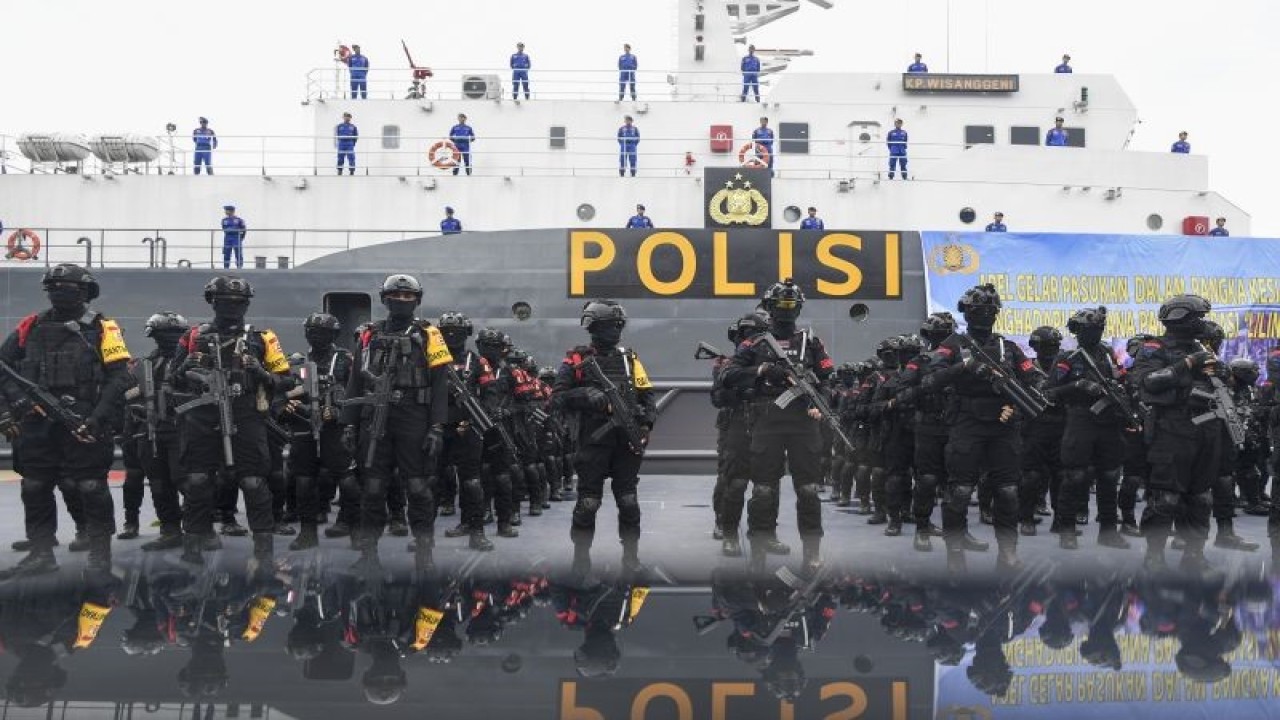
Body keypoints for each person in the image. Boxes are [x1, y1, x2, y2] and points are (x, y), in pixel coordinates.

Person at [0, 265, 131, 579]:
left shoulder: (103, 328)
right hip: (35, 419)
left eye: (67, 286)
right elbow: (4, 367)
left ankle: (100, 554)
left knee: (89, 485)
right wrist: (13, 405)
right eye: (53, 286)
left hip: (84, 417)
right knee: (34, 485)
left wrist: (99, 418)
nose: (59, 291)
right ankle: (41, 552)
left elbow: (120, 377)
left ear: (84, 291)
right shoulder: (30, 326)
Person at [170, 276, 293, 567]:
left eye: (238, 302)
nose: (231, 307)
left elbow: (286, 380)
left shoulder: (262, 338)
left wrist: (263, 374)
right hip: (201, 416)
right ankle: (194, 545)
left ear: (247, 304)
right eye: (224, 301)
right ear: (212, 301)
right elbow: (172, 378)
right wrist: (188, 370)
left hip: (246, 415)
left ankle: (263, 550)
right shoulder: (192, 336)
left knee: (252, 481)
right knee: (198, 480)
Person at [921, 283, 1040, 573]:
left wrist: (1017, 403)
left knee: (1009, 491)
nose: (985, 316)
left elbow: (1035, 380)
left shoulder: (1007, 347)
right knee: (960, 490)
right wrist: (964, 367)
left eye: (990, 310)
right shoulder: (952, 345)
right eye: (978, 311)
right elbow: (929, 381)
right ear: (967, 313)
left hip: (1004, 422)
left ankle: (1008, 551)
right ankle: (955, 550)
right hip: (967, 423)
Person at [340, 275, 452, 571]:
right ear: (384, 299)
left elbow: (441, 385)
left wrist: (437, 426)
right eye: (396, 295)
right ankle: (368, 552)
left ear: (417, 300)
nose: (402, 300)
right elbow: (354, 381)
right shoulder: (368, 335)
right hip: (374, 416)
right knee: (373, 487)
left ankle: (424, 551)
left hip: (414, 416)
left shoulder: (430, 335)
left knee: (417, 486)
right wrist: (349, 425)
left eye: (407, 296)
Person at [723, 279, 834, 573]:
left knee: (808, 490)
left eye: (791, 305)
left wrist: (818, 402)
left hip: (802, 423)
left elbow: (828, 380)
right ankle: (758, 550)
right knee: (763, 490)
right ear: (770, 307)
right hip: (767, 422)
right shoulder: (754, 343)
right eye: (781, 305)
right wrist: (760, 370)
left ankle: (812, 552)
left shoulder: (812, 342)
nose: (786, 310)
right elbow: (728, 374)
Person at [552, 300, 657, 578]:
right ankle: (581, 559)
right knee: (589, 502)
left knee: (628, 500)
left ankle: (631, 557)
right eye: (612, 326)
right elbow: (557, 398)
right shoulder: (575, 360)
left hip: (626, 442)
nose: (617, 331)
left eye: (619, 326)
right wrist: (585, 395)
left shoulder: (629, 359)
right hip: (592, 441)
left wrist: (646, 424)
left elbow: (648, 396)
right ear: (595, 327)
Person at [1128, 294, 1221, 572]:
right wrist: (1188, 365)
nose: (1201, 323)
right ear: (1181, 319)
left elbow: (1216, 384)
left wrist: (1219, 373)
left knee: (1201, 498)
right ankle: (1154, 554)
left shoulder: (1201, 347)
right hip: (1171, 431)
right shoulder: (1154, 348)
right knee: (1166, 498)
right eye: (1197, 318)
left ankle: (1194, 553)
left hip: (1204, 428)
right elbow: (1147, 382)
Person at [1047, 307, 1131, 550]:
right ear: (1079, 331)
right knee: (1075, 476)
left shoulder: (1107, 353)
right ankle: (1067, 529)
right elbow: (1050, 392)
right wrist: (1078, 386)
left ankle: (1108, 531)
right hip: (1080, 418)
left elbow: (1120, 376)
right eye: (1090, 329)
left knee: (1109, 475)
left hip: (1108, 421)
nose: (1095, 334)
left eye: (1099, 329)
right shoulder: (1067, 358)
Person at [277, 313, 354, 551]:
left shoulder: (345, 360)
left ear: (333, 335)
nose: (315, 336)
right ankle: (307, 532)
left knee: (348, 480)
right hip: (304, 426)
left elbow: (357, 393)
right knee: (303, 481)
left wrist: (338, 411)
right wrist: (288, 406)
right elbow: (282, 393)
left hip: (334, 429)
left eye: (321, 332)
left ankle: (349, 522)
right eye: (311, 331)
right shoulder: (298, 362)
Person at [435, 312, 495, 552]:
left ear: (466, 334)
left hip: (468, 429)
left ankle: (476, 530)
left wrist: (471, 421)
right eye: (446, 331)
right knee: (430, 481)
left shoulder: (478, 362)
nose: (451, 336)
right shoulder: (433, 361)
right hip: (438, 428)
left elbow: (491, 397)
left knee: (471, 482)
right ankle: (422, 536)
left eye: (457, 331)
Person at [711, 312, 770, 557]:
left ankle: (765, 533)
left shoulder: (770, 360)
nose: (749, 340)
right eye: (744, 335)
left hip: (764, 425)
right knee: (732, 480)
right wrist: (741, 392)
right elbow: (717, 397)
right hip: (734, 424)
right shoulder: (726, 364)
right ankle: (726, 529)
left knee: (766, 485)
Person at [130, 311, 189, 552]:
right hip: (152, 430)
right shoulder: (147, 364)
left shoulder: (189, 362)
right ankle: (170, 530)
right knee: (158, 483)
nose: (169, 338)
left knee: (184, 479)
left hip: (181, 429)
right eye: (164, 334)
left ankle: (198, 529)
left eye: (174, 334)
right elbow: (131, 392)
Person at [220, 205, 246, 269]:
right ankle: (226, 267)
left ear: (232, 211)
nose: (225, 211)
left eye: (227, 210)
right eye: (225, 210)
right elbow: (224, 228)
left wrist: (241, 238)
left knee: (238, 253)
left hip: (236, 238)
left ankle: (239, 267)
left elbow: (244, 229)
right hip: (227, 238)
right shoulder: (224, 220)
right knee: (226, 253)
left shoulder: (239, 220)